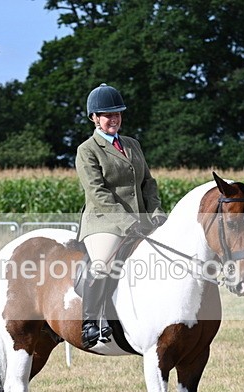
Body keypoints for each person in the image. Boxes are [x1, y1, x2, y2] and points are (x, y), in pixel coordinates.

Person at [76, 83, 167, 349]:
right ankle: (90, 323)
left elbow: (148, 182)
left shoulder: (132, 144)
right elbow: (97, 193)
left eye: (117, 114)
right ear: (94, 118)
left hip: (140, 220)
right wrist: (127, 222)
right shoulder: (87, 150)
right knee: (102, 264)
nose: (113, 119)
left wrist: (156, 211)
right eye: (107, 115)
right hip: (104, 222)